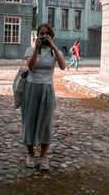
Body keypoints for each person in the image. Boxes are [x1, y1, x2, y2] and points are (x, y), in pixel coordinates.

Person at [21, 23, 66, 170]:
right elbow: (31, 67)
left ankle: (43, 156)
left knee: (46, 122)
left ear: (51, 35)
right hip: (32, 87)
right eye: (41, 33)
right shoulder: (30, 49)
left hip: (47, 88)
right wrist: (36, 49)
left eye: (46, 34)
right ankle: (30, 153)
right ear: (37, 35)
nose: (43, 36)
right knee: (30, 120)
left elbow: (63, 66)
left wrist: (53, 47)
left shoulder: (55, 51)